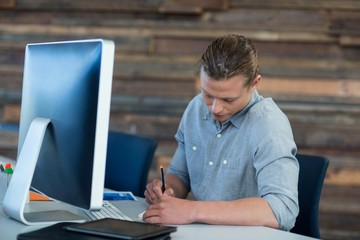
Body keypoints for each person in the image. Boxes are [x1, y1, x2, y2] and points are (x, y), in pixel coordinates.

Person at [143, 34, 299, 231]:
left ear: (254, 83)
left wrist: (191, 211)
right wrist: (168, 191)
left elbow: (282, 209)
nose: (215, 108)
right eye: (208, 94)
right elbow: (180, 175)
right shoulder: (196, 108)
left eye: (229, 100)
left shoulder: (269, 125)